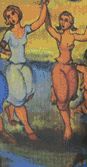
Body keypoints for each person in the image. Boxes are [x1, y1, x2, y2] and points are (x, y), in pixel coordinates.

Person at [45, 10, 87, 140]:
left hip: (71, 68)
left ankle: (55, 90)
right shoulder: (59, 36)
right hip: (60, 68)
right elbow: (48, 27)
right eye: (61, 19)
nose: (63, 22)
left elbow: (86, 36)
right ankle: (68, 127)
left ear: (71, 23)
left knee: (71, 96)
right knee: (62, 101)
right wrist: (45, 10)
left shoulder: (73, 36)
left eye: (66, 20)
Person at [1, 1, 49, 141]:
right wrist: (4, 49)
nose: (11, 18)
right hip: (13, 68)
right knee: (20, 99)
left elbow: (40, 22)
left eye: (12, 14)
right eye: (8, 17)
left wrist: (44, 5)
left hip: (24, 66)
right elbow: (3, 43)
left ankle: (10, 109)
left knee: (28, 94)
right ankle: (28, 129)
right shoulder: (8, 34)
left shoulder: (25, 29)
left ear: (18, 14)